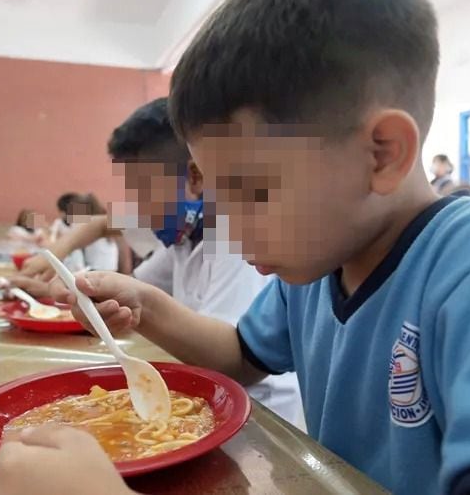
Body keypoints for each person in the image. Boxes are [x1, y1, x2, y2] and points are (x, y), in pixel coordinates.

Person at [0, 0, 470, 495]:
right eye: (220, 198)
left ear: (382, 152)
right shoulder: (317, 267)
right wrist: (150, 306)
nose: (234, 232)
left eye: (254, 193)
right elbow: (243, 356)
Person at [16, 98, 301, 422]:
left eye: (144, 191)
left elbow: (231, 358)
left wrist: (141, 304)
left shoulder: (236, 242)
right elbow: (130, 284)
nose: (137, 209)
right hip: (210, 395)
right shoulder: (183, 238)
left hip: (259, 416)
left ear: (195, 178)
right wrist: (69, 286)